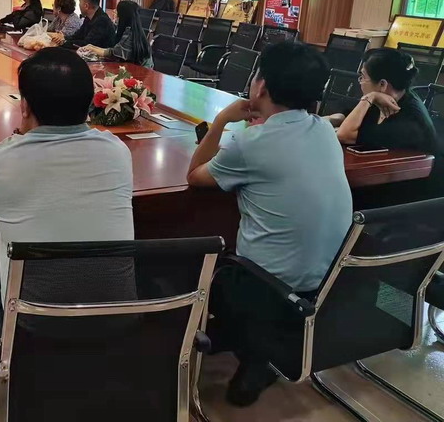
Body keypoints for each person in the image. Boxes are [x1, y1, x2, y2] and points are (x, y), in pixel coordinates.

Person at [187, 41, 351, 407]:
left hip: (268, 290)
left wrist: (221, 121)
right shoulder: (324, 131)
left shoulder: (251, 142)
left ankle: (252, 349)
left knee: (205, 264)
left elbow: (195, 175)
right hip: (328, 284)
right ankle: (254, 342)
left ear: (260, 86)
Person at [0, 47, 135, 329]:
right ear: (90, 103)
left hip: (30, 326)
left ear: (25, 106)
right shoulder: (118, 152)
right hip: (113, 320)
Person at [332, 48, 443, 203]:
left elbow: (344, 135)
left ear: (382, 84)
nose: (360, 82)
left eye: (363, 77)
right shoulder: (389, 99)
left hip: (406, 198)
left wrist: (369, 97)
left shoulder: (410, 120)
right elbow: (347, 118)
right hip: (382, 179)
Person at [82, 0, 153, 68]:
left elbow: (114, 53)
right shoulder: (132, 30)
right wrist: (91, 47)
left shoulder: (129, 34)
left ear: (123, 16)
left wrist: (92, 48)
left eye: (117, 11)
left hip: (142, 72)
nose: (114, 12)